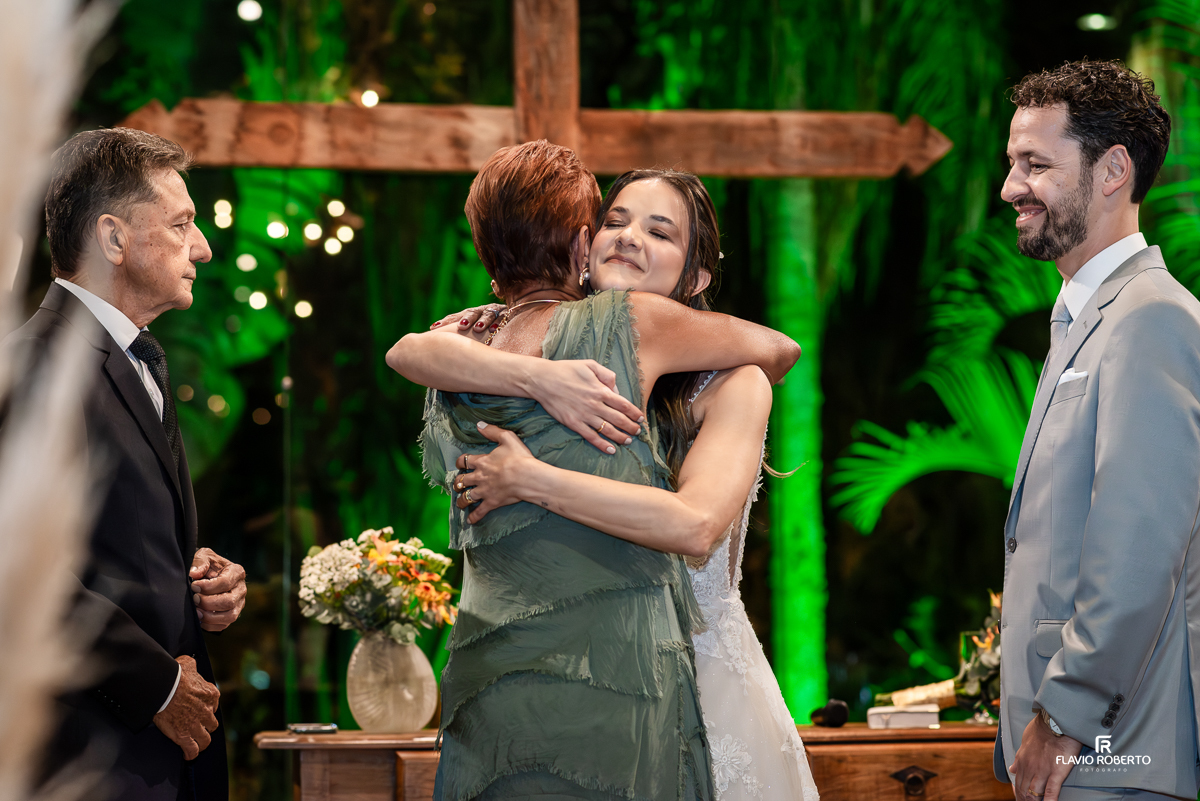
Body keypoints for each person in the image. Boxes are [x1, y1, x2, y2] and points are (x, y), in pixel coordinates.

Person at [386, 142, 801, 801]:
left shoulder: (731, 382)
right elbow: (413, 349)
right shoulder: (537, 335)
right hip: (568, 688)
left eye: (659, 230)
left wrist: (528, 477)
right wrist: (542, 377)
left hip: (701, 678)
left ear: (696, 278)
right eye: (615, 220)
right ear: (583, 244)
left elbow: (698, 523)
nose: (629, 237)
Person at [6, 128, 247, 801]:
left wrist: (200, 582)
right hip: (88, 762)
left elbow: (113, 544)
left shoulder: (139, 361)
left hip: (162, 766)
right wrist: (157, 683)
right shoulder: (35, 366)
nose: (202, 246)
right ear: (112, 239)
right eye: (181, 224)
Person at [997, 61, 1200, 801]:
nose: (1010, 187)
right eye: (1012, 163)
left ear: (1113, 169)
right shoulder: (1084, 319)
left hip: (1114, 747)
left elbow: (1139, 546)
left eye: (1035, 164)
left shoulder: (1151, 317)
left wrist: (1064, 712)